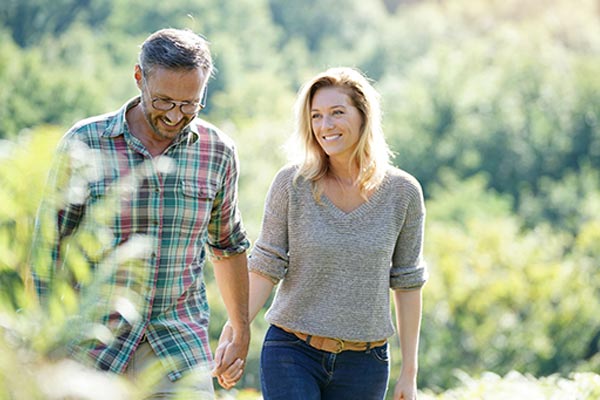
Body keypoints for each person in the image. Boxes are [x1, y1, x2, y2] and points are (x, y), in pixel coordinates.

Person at [31, 28, 249, 399]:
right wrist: (42, 338)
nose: (175, 115)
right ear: (139, 78)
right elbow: (49, 246)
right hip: (94, 341)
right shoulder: (85, 142)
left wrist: (240, 328)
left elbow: (227, 244)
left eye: (190, 104)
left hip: (177, 340)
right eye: (164, 101)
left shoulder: (218, 152)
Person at [216, 67, 428, 399]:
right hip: (292, 352)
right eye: (316, 116)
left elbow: (407, 282)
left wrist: (410, 374)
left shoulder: (402, 193)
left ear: (363, 116)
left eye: (337, 113)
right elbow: (265, 266)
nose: (325, 126)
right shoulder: (292, 184)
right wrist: (235, 331)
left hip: (366, 363)